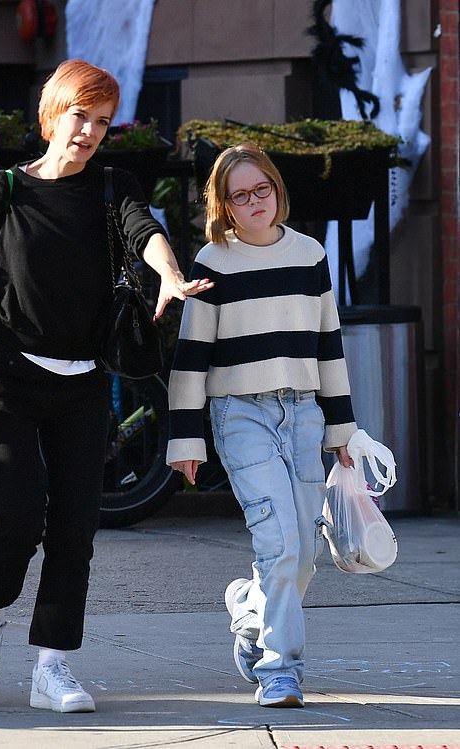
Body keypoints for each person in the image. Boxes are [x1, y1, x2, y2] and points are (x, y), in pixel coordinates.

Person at [0, 58, 212, 713]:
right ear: (52, 113)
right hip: (10, 379)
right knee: (15, 515)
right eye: (79, 115)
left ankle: (52, 667)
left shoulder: (110, 187)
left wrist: (171, 275)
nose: (89, 131)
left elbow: (144, 231)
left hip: (84, 385)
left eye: (101, 121)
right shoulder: (3, 190)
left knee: (75, 530)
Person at [166, 143, 357, 709]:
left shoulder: (310, 254)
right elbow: (191, 356)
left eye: (262, 190)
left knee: (303, 555)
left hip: (303, 413)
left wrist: (341, 431)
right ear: (223, 205)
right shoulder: (213, 262)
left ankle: (250, 609)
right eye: (240, 195)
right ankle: (281, 669)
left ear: (277, 189)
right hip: (240, 414)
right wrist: (186, 437)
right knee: (278, 541)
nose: (254, 202)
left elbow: (329, 346)